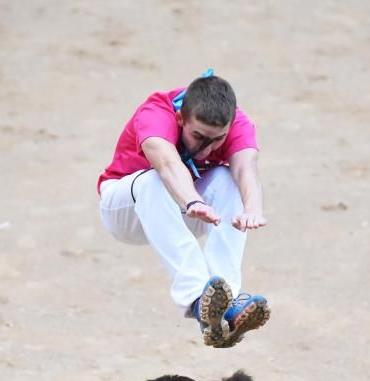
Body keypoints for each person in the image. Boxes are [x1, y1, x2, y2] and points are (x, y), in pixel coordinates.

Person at [97, 71, 270, 348]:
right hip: (125, 213)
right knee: (153, 179)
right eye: (198, 136)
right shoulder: (156, 112)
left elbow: (245, 168)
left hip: (185, 214)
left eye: (217, 140)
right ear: (180, 119)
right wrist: (194, 201)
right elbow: (166, 165)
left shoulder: (239, 123)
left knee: (228, 179)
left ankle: (224, 308)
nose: (206, 148)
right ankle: (195, 297)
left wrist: (253, 208)